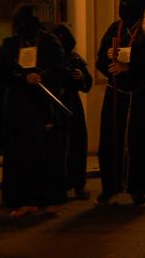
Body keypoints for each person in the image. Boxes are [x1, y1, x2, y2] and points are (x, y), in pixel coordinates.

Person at [0, 5, 69, 216]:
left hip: (43, 106)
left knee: (46, 153)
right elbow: (3, 73)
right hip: (19, 107)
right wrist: (22, 78)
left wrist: (42, 75)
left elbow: (60, 68)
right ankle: (22, 199)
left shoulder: (49, 41)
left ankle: (50, 198)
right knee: (20, 154)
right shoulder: (10, 45)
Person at [95, 0, 145, 206]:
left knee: (139, 144)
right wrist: (109, 63)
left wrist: (129, 67)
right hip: (115, 95)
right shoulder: (115, 27)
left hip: (139, 96)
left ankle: (138, 189)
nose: (124, 7)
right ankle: (109, 188)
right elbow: (100, 58)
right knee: (111, 141)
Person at [52, 23, 94, 199]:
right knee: (57, 147)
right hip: (55, 104)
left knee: (77, 145)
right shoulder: (51, 58)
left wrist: (80, 77)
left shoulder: (74, 58)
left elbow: (87, 84)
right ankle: (58, 186)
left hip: (72, 104)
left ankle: (77, 183)